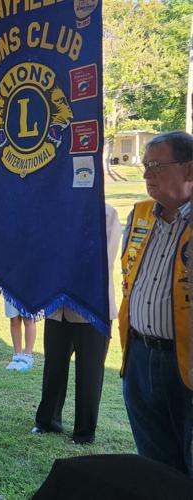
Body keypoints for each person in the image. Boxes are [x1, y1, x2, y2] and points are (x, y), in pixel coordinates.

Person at [118, 131, 193, 476]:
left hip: (187, 366)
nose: (146, 174)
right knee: (155, 471)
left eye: (156, 166)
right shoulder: (140, 216)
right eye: (145, 166)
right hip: (139, 357)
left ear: (189, 170)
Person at [32, 203, 122, 444]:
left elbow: (104, 260)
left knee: (90, 370)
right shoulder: (53, 209)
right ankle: (47, 420)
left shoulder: (105, 213)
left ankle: (84, 432)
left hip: (91, 307)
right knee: (53, 365)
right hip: (57, 307)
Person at [4, 300, 36, 372]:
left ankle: (28, 356)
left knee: (28, 318)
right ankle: (17, 356)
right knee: (13, 318)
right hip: (12, 288)